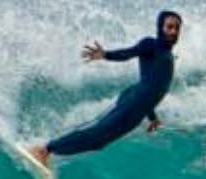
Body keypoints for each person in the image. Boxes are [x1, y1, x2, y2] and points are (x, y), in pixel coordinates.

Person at [31, 10, 182, 167]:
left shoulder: (168, 55)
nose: (173, 31)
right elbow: (128, 53)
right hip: (131, 103)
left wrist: (152, 117)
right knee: (96, 131)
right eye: (169, 27)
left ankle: (48, 150)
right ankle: (45, 149)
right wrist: (105, 55)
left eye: (177, 28)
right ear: (160, 27)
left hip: (138, 110)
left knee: (98, 143)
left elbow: (152, 87)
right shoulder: (150, 44)